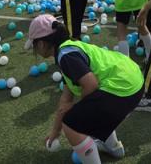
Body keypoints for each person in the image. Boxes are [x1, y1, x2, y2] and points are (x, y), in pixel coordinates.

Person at [27, 14, 143, 163]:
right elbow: (65, 100)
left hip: (122, 87)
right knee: (86, 112)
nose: (35, 50)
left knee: (72, 123)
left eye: (34, 45)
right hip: (134, 83)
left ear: (42, 44)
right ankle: (113, 147)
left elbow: (91, 84)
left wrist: (77, 108)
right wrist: (55, 131)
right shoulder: (69, 48)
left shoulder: (66, 55)